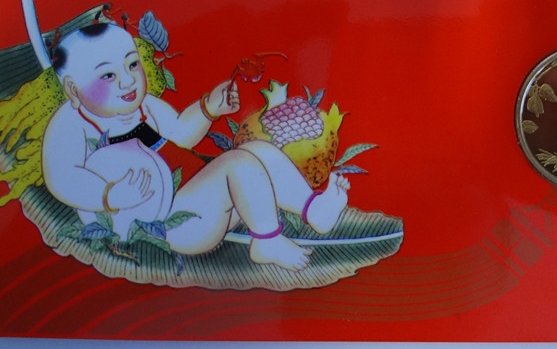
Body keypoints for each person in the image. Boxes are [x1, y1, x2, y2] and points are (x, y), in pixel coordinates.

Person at [41, 22, 349, 271]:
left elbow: (181, 134)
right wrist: (111, 196)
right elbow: (63, 178)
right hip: (170, 223)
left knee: (259, 151)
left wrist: (208, 109)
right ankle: (266, 240)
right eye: (108, 75)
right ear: (73, 89)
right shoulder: (70, 125)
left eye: (132, 65)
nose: (128, 81)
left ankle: (312, 209)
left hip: (207, 199)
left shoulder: (144, 107)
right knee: (238, 164)